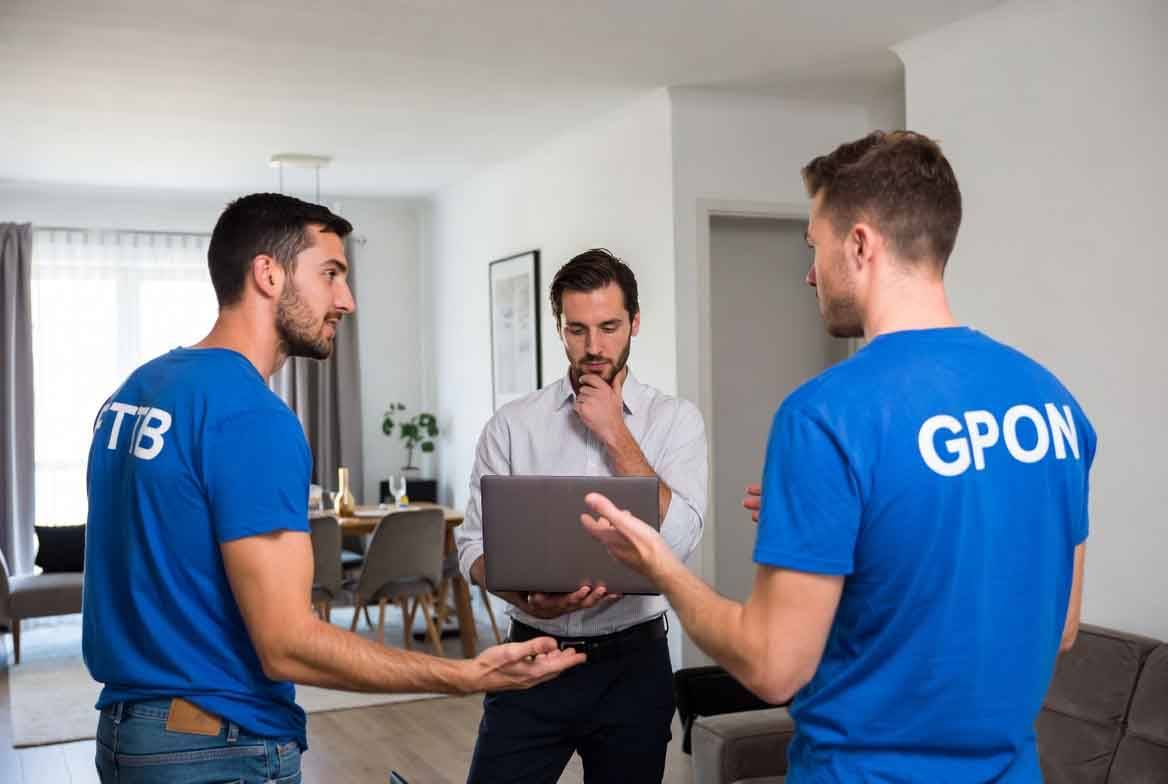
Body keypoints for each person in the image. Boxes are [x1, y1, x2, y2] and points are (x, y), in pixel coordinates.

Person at [580, 131, 1094, 782]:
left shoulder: (825, 414)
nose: (809, 273)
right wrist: (839, 534)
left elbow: (772, 667)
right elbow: (1060, 626)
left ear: (859, 244)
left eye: (814, 246)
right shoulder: (1054, 403)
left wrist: (660, 565)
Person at [82, 193, 584, 784]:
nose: (347, 300)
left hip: (129, 736)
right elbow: (287, 644)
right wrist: (463, 675)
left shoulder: (136, 391)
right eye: (330, 274)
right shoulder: (250, 414)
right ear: (268, 274)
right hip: (217, 746)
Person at [456, 248, 708, 783]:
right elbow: (472, 545)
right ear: (559, 328)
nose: (593, 347)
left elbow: (682, 540)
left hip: (633, 667)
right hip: (530, 656)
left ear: (634, 323)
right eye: (577, 329)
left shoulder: (676, 421)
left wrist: (616, 433)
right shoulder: (512, 425)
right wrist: (519, 595)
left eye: (609, 327)